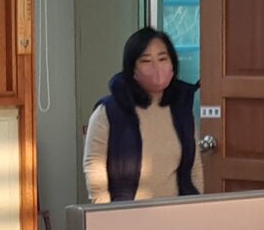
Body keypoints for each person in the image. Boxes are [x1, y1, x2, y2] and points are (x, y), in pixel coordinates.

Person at [83, 26, 198, 202]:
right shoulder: (109, 111)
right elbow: (94, 170)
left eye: (162, 59)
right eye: (146, 61)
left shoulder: (181, 108)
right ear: (132, 69)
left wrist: (196, 206)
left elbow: (194, 168)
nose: (157, 67)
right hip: (127, 212)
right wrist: (105, 213)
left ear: (173, 63)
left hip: (176, 211)